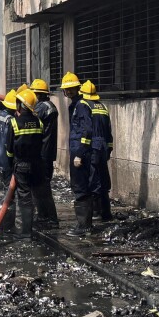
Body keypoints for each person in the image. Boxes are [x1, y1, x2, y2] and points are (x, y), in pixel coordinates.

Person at [61, 72, 98, 238]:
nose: (69, 92)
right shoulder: (75, 105)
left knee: (80, 187)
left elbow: (87, 130)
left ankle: (84, 226)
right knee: (80, 186)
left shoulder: (81, 105)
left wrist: (80, 154)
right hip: (77, 149)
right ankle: (83, 224)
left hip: (80, 152)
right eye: (66, 90)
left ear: (78, 89)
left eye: (71, 89)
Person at [6, 89, 44, 240]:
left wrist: (11, 165)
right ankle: (33, 226)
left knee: (24, 197)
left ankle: (26, 232)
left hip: (21, 165)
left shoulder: (14, 122)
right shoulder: (39, 122)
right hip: (37, 164)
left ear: (21, 105)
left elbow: (9, 149)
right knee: (34, 195)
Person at [81, 80, 114, 221]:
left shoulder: (86, 106)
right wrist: (109, 148)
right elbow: (109, 130)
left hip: (93, 146)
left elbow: (87, 130)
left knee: (93, 179)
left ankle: (96, 212)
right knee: (103, 178)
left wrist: (82, 149)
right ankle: (106, 212)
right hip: (103, 147)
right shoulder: (102, 107)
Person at [29, 78, 59, 228]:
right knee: (39, 185)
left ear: (38, 94)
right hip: (46, 151)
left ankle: (51, 219)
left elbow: (32, 122)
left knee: (43, 187)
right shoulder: (50, 105)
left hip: (42, 152)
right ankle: (43, 216)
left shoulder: (41, 108)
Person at [0, 90, 18, 191]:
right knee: (11, 183)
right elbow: (9, 141)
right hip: (8, 157)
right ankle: (10, 204)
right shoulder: (10, 120)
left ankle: (6, 202)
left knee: (5, 180)